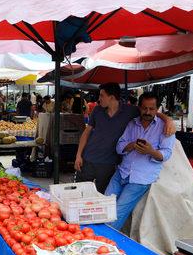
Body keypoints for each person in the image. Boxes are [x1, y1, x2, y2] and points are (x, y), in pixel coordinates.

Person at [75, 83, 176, 194]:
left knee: (102, 197)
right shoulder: (97, 110)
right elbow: (86, 133)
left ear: (111, 97)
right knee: (80, 193)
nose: (99, 99)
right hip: (88, 158)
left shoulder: (130, 111)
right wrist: (78, 155)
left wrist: (168, 120)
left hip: (108, 164)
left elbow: (151, 112)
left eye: (101, 95)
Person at [105, 93, 176, 230]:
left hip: (140, 179)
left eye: (152, 109)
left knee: (118, 213)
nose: (148, 112)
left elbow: (166, 154)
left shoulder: (165, 128)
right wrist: (132, 145)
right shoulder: (132, 123)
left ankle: (104, 242)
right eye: (144, 108)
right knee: (105, 206)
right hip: (122, 172)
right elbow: (119, 147)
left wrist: (151, 151)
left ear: (157, 109)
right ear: (139, 107)